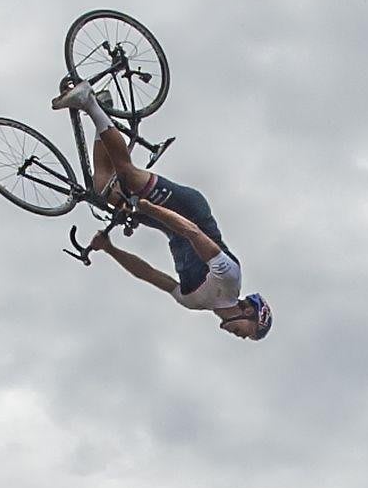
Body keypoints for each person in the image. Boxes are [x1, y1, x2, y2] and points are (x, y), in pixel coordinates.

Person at [53, 78, 272, 340]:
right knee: (129, 176)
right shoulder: (230, 280)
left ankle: (102, 108)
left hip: (167, 224)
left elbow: (149, 275)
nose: (243, 337)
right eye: (250, 333)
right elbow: (192, 232)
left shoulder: (195, 302)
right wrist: (149, 208)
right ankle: (87, 101)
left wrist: (110, 249)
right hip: (188, 211)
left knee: (103, 190)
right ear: (248, 313)